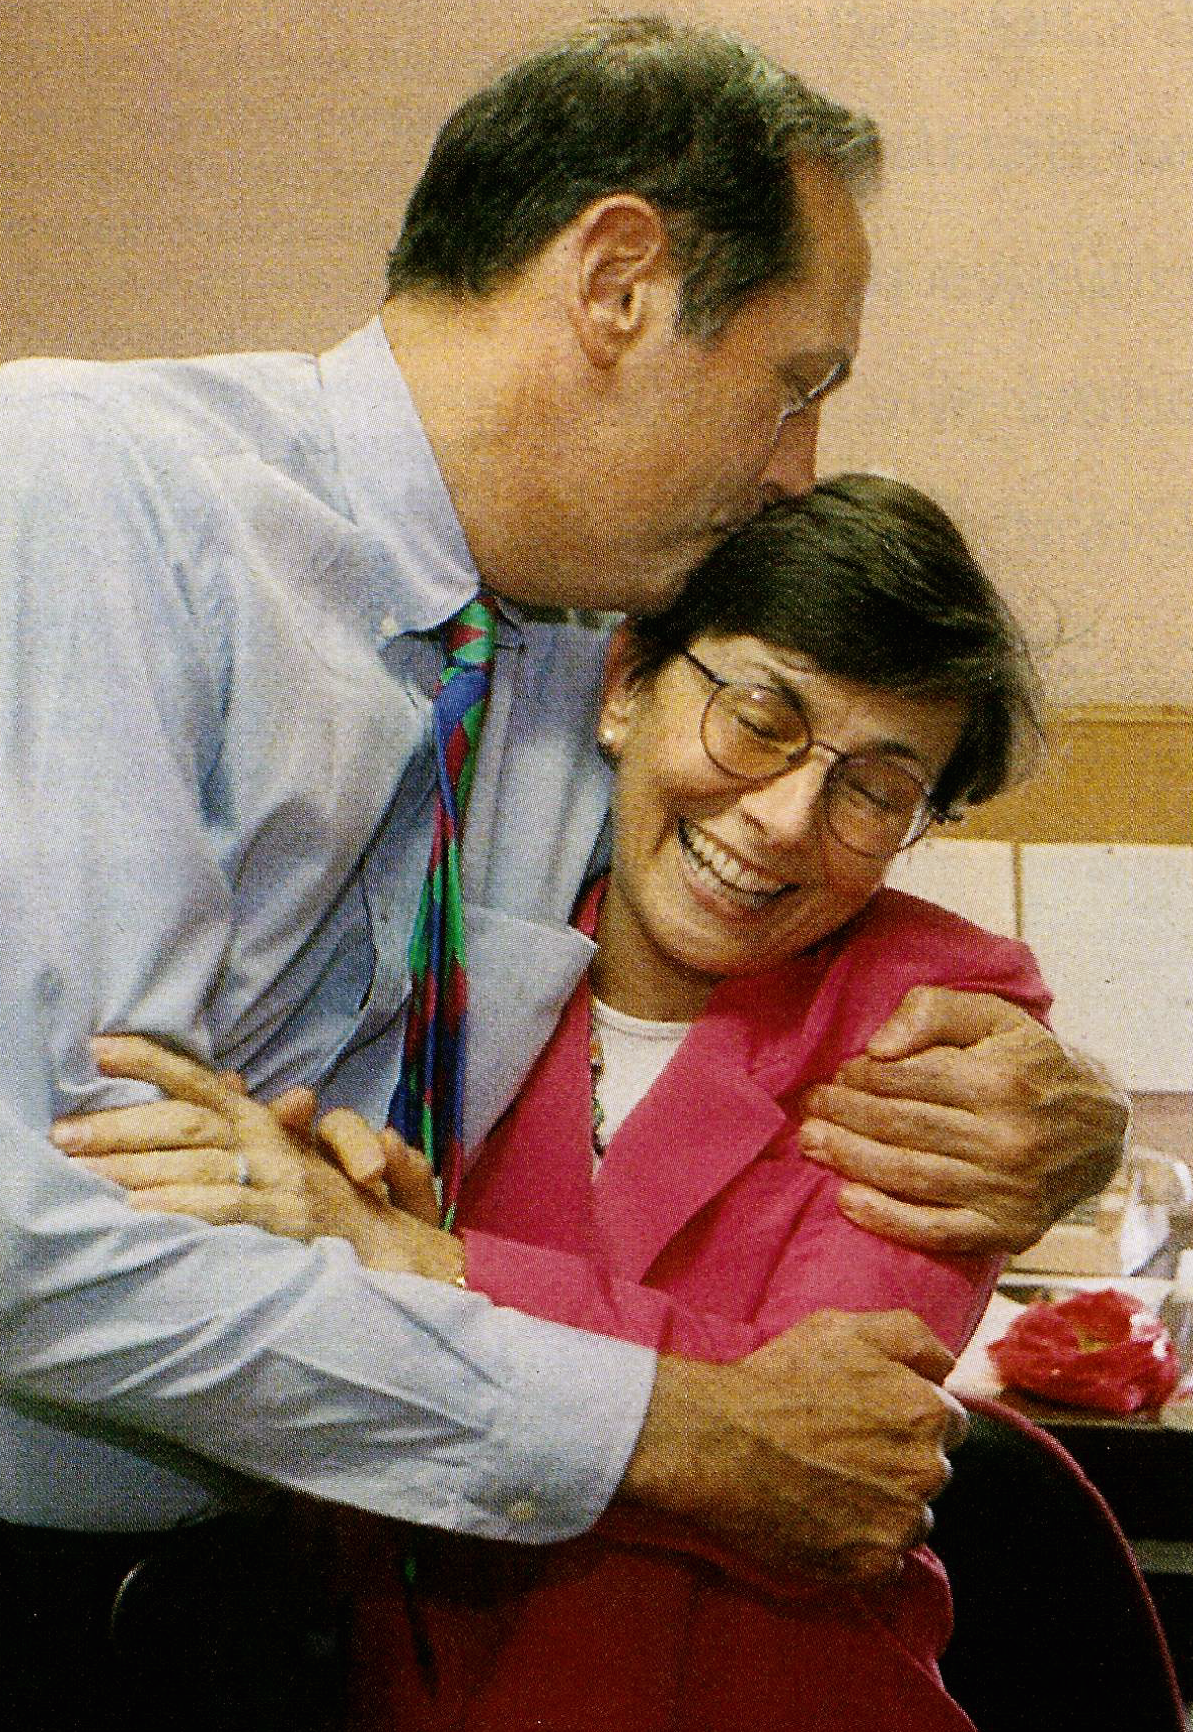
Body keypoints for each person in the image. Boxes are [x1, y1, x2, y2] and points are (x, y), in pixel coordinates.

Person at [0, 14, 1124, 1728]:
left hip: (275, 1618)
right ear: (618, 283)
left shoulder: (560, 659)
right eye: (795, 383)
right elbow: (64, 1271)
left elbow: (807, 899)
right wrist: (690, 1437)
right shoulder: (91, 496)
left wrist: (1070, 1113)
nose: (793, 469)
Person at [61, 472, 1049, 1731]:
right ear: (626, 686)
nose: (785, 817)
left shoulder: (938, 1014)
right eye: (759, 719)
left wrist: (411, 1266)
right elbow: (340, 1441)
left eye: (877, 790)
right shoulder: (437, 975)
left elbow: (833, 1451)